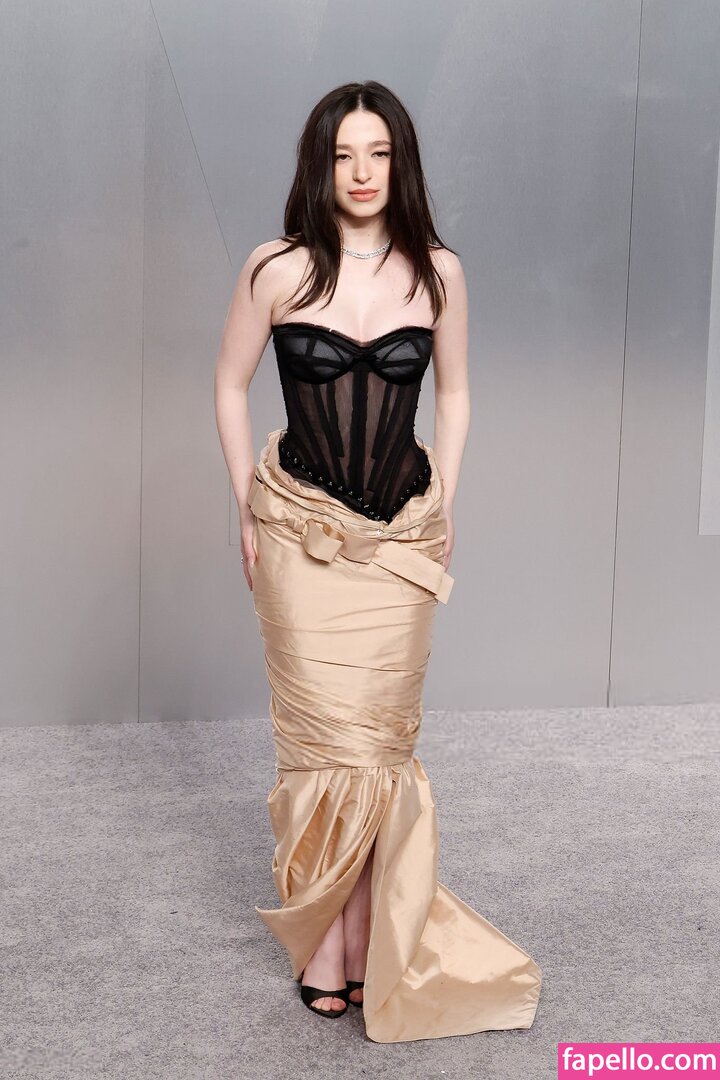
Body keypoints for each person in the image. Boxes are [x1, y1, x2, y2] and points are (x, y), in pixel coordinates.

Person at [214, 80, 541, 1043]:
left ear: (402, 163)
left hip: (402, 539)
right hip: (298, 534)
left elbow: (459, 394)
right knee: (320, 744)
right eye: (343, 155)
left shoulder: (439, 271)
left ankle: (360, 931)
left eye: (379, 153)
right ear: (319, 167)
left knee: (378, 750)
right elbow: (228, 385)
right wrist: (243, 505)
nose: (361, 173)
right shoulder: (274, 268)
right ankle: (330, 935)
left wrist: (450, 502)